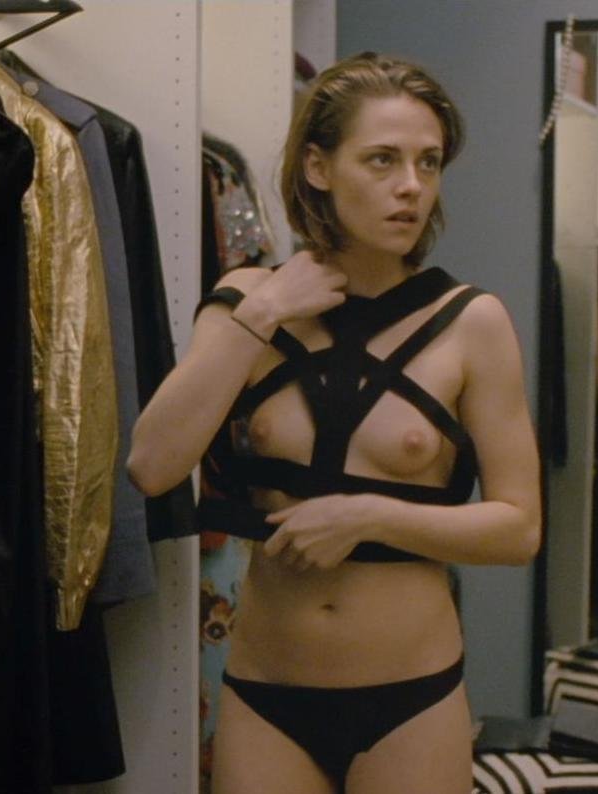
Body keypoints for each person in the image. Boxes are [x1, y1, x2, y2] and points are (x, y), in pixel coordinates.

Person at [126, 53, 541, 794]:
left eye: (428, 162)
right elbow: (152, 465)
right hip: (266, 696)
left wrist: (368, 514)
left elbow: (519, 529)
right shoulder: (248, 302)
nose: (411, 186)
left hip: (411, 700)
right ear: (318, 167)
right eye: (382, 160)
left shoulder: (472, 323)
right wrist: (262, 312)